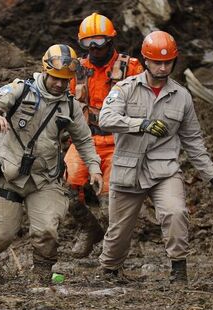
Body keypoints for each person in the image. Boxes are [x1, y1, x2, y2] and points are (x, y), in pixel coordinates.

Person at [97, 31, 213, 285]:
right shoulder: (124, 89)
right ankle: (109, 270)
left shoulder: (182, 97)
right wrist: (140, 124)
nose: (162, 67)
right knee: (119, 230)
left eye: (168, 62)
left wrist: (212, 175)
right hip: (128, 169)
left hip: (164, 170)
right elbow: (106, 119)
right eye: (157, 62)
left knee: (176, 212)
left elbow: (193, 140)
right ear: (145, 60)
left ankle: (179, 271)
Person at [0, 44, 103, 283]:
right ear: (45, 71)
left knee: (47, 230)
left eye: (66, 80)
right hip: (9, 175)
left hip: (45, 177)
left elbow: (83, 139)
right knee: (2, 234)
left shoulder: (70, 106)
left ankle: (42, 276)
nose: (60, 85)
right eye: (55, 78)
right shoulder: (20, 90)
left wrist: (94, 167)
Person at [65, 12, 143, 258]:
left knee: (112, 200)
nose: (94, 48)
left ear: (111, 41)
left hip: (119, 141)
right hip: (84, 140)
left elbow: (145, 104)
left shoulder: (130, 68)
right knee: (64, 188)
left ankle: (115, 250)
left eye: (99, 41)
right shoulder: (76, 70)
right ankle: (89, 229)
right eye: (88, 43)